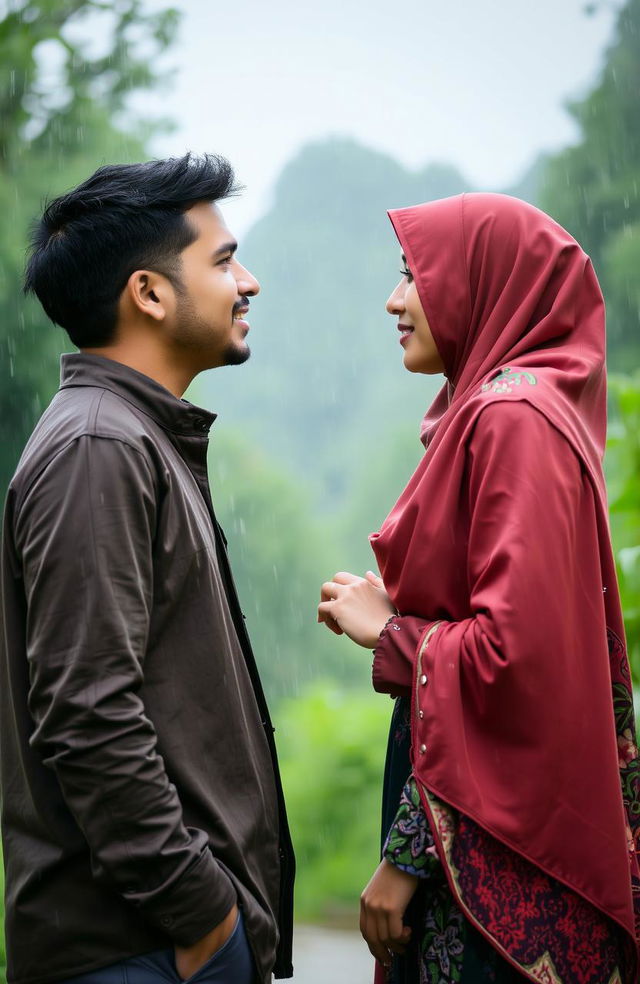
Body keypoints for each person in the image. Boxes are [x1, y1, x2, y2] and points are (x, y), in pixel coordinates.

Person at [318, 192, 640, 983]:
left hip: (498, 862)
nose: (395, 300)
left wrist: (389, 634)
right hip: (503, 828)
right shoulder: (520, 408)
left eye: (413, 276)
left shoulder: (511, 418)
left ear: (485, 283)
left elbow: (512, 661)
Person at [0, 153, 295, 984]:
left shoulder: (132, 437)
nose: (249, 282)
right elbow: (88, 714)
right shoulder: (100, 447)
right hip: (138, 950)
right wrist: (204, 914)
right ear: (151, 293)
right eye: (223, 259)